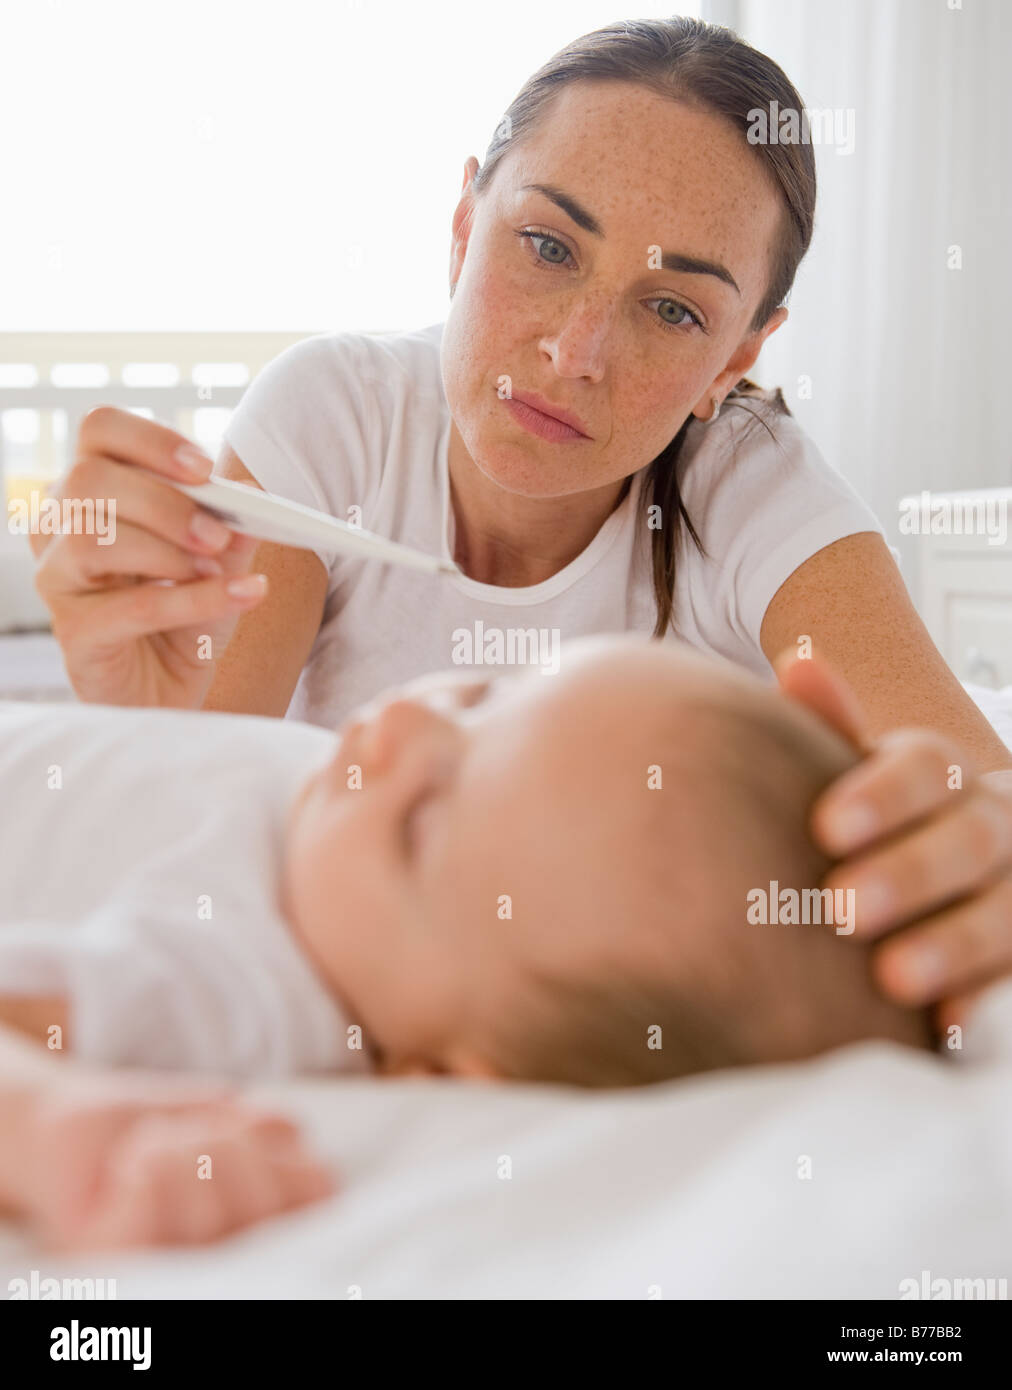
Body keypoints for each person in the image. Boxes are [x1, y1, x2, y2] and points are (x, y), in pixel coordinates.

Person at [27, 18, 1012, 1027]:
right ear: (463, 227)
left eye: (671, 310)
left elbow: (977, 794)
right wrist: (141, 724)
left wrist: (969, 854)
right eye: (546, 246)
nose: (575, 352)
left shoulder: (750, 490)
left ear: (734, 360)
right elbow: (182, 837)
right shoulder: (333, 418)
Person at [0, 638, 933, 1095]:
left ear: (442, 1080)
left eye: (417, 823)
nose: (399, 722)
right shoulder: (330, 839)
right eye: (486, 696)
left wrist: (61, 1143)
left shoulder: (249, 985)